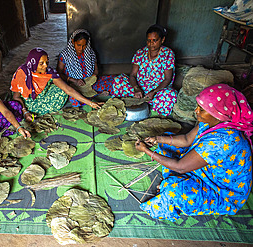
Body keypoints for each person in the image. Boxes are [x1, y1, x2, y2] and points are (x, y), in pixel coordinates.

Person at [135, 84, 253, 221]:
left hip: (221, 191)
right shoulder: (212, 122)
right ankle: (178, 178)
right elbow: (186, 139)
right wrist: (157, 139)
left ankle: (175, 187)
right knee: (166, 142)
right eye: (198, 106)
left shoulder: (223, 141)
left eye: (202, 109)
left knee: (172, 191)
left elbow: (180, 166)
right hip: (209, 170)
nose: (196, 111)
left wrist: (147, 151)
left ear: (219, 114)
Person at [10, 47, 101, 120]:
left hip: (42, 97)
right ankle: (35, 111)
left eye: (47, 62)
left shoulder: (49, 72)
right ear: (33, 63)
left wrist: (90, 103)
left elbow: (68, 90)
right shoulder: (22, 73)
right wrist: (24, 111)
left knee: (61, 90)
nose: (45, 65)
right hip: (28, 103)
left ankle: (42, 110)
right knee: (20, 106)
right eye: (41, 63)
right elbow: (16, 97)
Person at [112, 24, 177, 116]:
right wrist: (136, 88)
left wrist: (154, 92)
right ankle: (139, 99)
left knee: (170, 95)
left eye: (154, 40)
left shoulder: (168, 54)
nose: (151, 43)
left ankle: (153, 107)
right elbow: (133, 75)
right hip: (140, 88)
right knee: (118, 81)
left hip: (158, 90)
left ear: (162, 40)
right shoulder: (140, 53)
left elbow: (167, 79)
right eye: (149, 40)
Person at [57, 29, 116, 106]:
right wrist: (74, 81)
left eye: (84, 45)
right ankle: (94, 97)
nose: (81, 48)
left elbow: (96, 69)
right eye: (78, 45)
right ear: (72, 41)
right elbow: (58, 74)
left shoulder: (90, 53)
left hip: (90, 83)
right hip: (73, 85)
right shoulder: (64, 55)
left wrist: (93, 77)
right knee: (74, 98)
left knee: (113, 82)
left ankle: (94, 95)